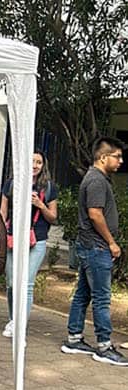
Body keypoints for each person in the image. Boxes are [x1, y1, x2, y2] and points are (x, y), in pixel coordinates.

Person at [61, 137, 128, 366]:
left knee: (83, 294)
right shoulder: (97, 181)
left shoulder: (96, 178)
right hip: (96, 246)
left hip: (90, 246)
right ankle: (104, 346)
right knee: (101, 298)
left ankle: (74, 338)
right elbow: (95, 214)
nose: (120, 161)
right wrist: (111, 242)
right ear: (103, 157)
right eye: (116, 156)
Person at [0, 150, 58, 338]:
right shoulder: (11, 184)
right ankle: (13, 319)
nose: (34, 165)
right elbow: (3, 212)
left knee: (26, 283)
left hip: (37, 239)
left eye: (39, 162)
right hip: (12, 238)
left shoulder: (49, 188)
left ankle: (19, 324)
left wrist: (40, 204)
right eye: (31, 161)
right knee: (11, 283)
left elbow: (53, 217)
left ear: (43, 165)